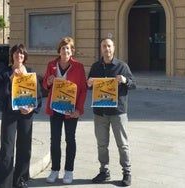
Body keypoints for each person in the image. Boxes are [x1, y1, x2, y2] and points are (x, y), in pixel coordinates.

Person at [87, 37, 136, 186]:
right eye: (104, 46)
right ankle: (104, 171)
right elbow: (89, 85)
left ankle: (127, 172)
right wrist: (89, 83)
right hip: (100, 112)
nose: (106, 49)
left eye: (109, 46)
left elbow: (134, 84)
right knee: (102, 144)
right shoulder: (95, 66)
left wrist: (125, 80)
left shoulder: (122, 66)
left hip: (118, 112)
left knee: (122, 144)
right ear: (101, 49)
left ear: (113, 48)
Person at [0, 44, 42, 188]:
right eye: (16, 53)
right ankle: (2, 183)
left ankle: (20, 179)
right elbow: (0, 95)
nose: (18, 56)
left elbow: (37, 96)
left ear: (24, 56)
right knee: (7, 148)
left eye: (21, 54)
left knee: (24, 147)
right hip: (10, 114)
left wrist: (32, 108)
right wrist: (10, 80)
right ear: (12, 56)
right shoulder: (5, 72)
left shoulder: (31, 73)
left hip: (26, 115)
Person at [42, 37, 87, 184]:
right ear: (59, 50)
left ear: (72, 51)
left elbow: (83, 90)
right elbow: (45, 85)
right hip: (55, 108)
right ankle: (55, 170)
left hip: (70, 110)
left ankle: (69, 171)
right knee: (54, 140)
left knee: (70, 139)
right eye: (63, 48)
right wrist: (48, 82)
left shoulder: (79, 67)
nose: (65, 51)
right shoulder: (51, 65)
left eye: (68, 48)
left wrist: (79, 109)